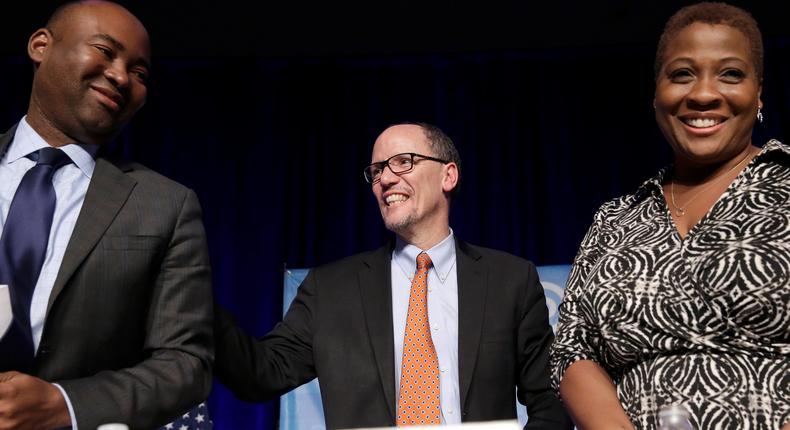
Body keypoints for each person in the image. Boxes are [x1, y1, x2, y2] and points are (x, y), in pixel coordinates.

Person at [215, 122, 572, 429]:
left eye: (403, 162)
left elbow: (550, 399)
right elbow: (260, 372)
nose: (385, 178)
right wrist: (193, 300)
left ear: (448, 175)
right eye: (376, 170)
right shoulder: (329, 291)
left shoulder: (510, 280)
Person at [551, 2, 790, 429]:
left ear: (758, 94)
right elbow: (572, 348)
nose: (702, 93)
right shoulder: (616, 219)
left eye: (730, 74)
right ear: (657, 96)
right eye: (681, 74)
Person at [0, 1, 213, 429]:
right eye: (104, 50)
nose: (120, 76)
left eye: (139, 73)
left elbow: (185, 363)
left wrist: (63, 404)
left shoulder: (166, 205)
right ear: (41, 45)